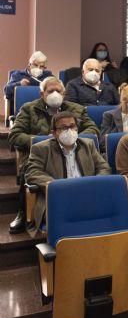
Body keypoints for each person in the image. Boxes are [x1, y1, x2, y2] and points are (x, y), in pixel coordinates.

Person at [8, 76, 99, 234]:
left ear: (64, 93)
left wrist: (70, 137)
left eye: (58, 91)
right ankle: (23, 212)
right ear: (42, 94)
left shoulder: (77, 109)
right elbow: (15, 135)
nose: (55, 94)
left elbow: (93, 129)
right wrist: (44, 141)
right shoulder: (29, 108)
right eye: (51, 91)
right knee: (28, 170)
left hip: (70, 150)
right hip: (40, 155)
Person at [25, 111, 111, 230]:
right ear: (54, 133)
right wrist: (58, 187)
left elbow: (104, 167)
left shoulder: (88, 144)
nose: (69, 131)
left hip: (88, 195)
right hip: (59, 199)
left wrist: (94, 184)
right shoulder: (40, 149)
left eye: (72, 126)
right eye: (63, 128)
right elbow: (33, 172)